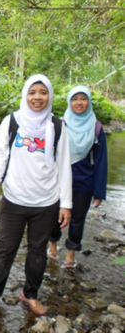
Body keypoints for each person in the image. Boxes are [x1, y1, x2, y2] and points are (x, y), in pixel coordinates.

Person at [0, 75, 72, 316]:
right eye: (33, 92)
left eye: (43, 92)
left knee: (37, 252)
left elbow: (64, 166)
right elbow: (0, 153)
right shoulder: (12, 121)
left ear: (49, 95)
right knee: (5, 250)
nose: (37, 97)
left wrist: (66, 203)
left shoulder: (58, 126)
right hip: (14, 199)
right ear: (25, 95)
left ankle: (30, 294)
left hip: (47, 201)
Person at [48, 85, 107, 269]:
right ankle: (52, 244)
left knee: (78, 218)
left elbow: (101, 162)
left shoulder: (96, 128)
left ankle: (71, 252)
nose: (79, 103)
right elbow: (50, 155)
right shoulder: (60, 125)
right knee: (54, 215)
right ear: (69, 102)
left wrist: (98, 192)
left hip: (84, 182)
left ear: (89, 102)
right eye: (75, 99)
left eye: (83, 98)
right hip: (58, 180)